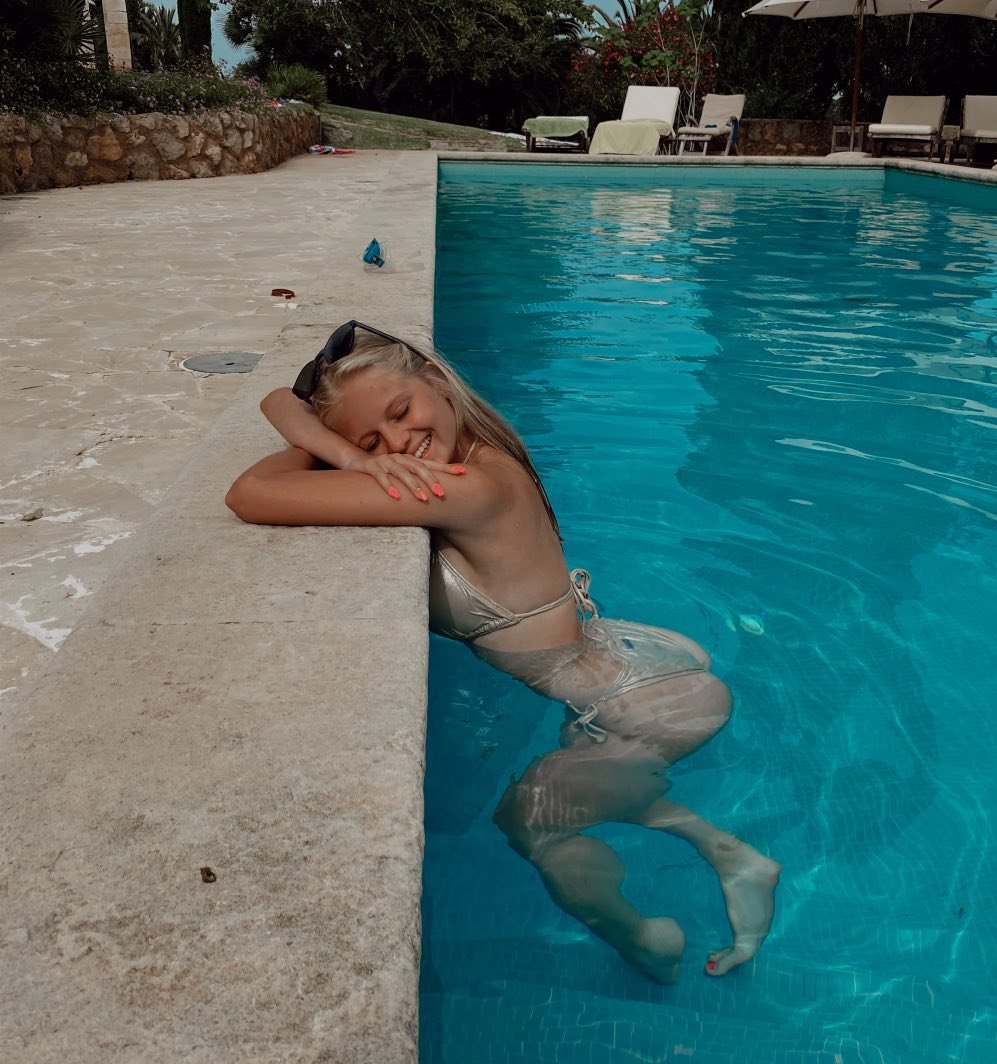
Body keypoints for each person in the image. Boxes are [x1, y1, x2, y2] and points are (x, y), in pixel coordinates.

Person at [226, 320, 780, 983]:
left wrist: (346, 457)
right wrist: (349, 454)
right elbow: (276, 402)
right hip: (627, 672)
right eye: (372, 440)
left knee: (527, 819)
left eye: (400, 412)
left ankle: (675, 910)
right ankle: (717, 852)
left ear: (437, 379)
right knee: (557, 801)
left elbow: (250, 493)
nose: (397, 445)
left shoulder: (469, 489)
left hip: (646, 705)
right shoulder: (474, 452)